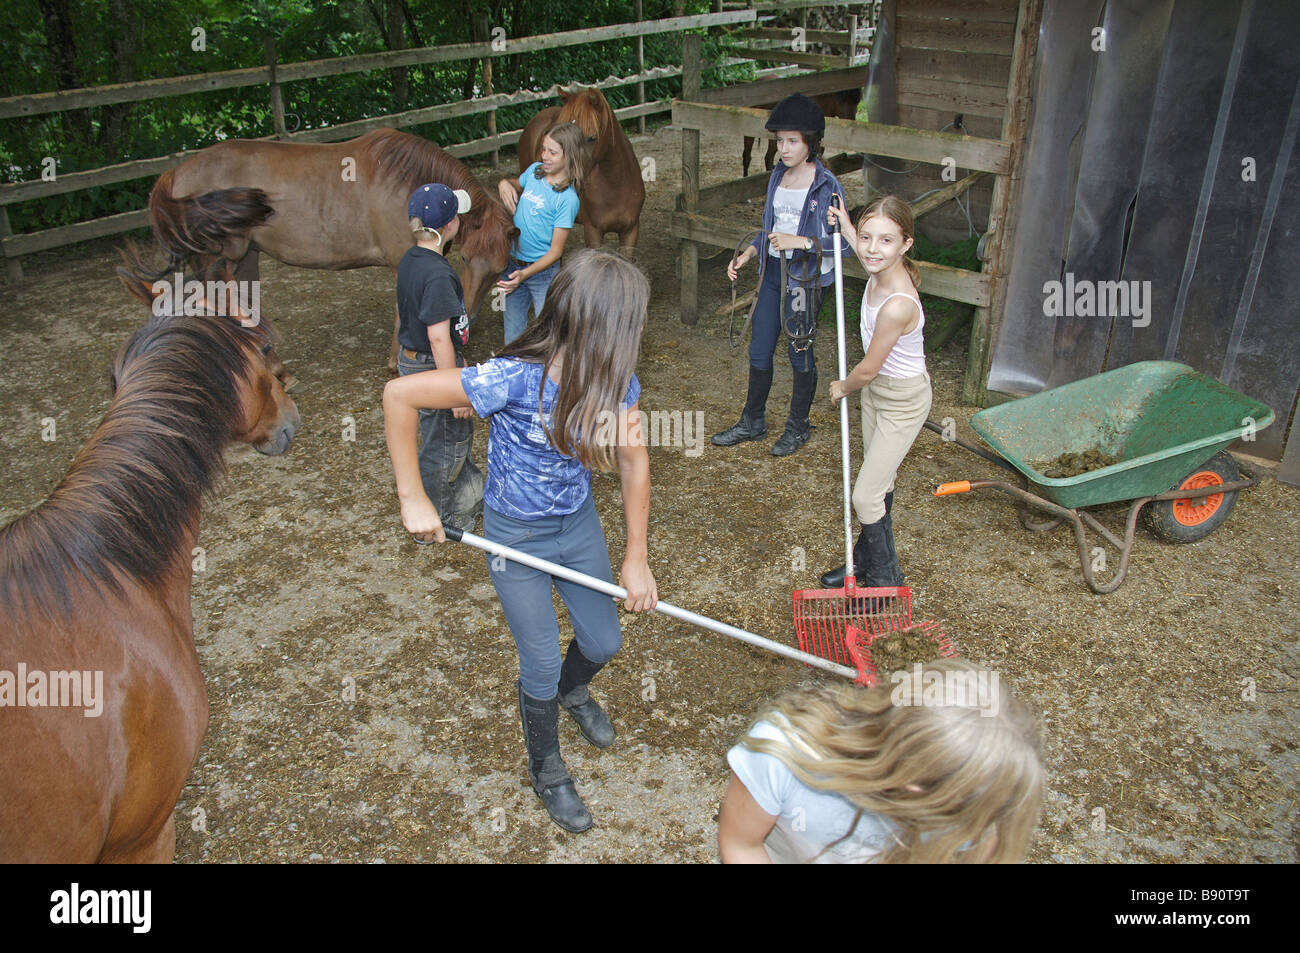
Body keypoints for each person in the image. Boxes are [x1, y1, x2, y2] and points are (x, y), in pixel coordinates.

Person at [383, 249, 658, 834]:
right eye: (630, 326)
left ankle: (573, 691)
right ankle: (548, 767)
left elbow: (635, 463)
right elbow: (398, 397)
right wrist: (414, 497)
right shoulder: (511, 378)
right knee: (536, 661)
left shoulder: (618, 384)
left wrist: (636, 558)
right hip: (515, 539)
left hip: (577, 525)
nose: (635, 337)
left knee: (604, 641)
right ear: (596, 328)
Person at [717, 657, 1043, 863]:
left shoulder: (986, 800)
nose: (979, 829)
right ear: (915, 787)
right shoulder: (784, 755)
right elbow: (742, 845)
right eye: (958, 813)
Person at [713, 92, 850, 457]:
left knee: (799, 352)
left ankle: (798, 426)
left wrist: (801, 241)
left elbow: (845, 245)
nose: (784, 148)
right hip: (772, 274)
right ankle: (752, 420)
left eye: (792, 141)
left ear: (810, 142)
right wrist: (749, 253)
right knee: (759, 349)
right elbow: (769, 229)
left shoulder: (826, 186)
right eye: (779, 141)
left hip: (803, 280)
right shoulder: (778, 175)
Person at [819, 194, 932, 589]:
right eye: (867, 238)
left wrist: (841, 387)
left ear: (906, 245)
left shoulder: (898, 304)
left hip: (902, 399)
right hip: (877, 396)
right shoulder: (878, 267)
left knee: (864, 496)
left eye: (886, 241)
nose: (871, 249)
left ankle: (886, 580)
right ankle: (864, 562)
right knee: (879, 484)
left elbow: (866, 370)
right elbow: (867, 250)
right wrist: (848, 228)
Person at [395, 182, 484, 531]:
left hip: (418, 360)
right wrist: (453, 388)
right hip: (433, 365)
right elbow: (437, 336)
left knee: (450, 434)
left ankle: (469, 494)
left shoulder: (411, 260)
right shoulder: (437, 275)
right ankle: (437, 517)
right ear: (450, 226)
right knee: (445, 443)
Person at [496, 122, 587, 345]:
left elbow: (556, 252)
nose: (544, 156)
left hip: (542, 274)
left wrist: (525, 275)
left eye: (552, 152)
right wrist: (503, 184)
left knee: (547, 335)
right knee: (512, 336)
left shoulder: (567, 199)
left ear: (570, 155)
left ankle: (548, 378)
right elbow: (513, 184)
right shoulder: (534, 172)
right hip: (513, 265)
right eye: (543, 149)